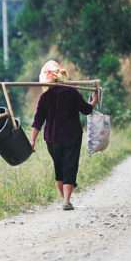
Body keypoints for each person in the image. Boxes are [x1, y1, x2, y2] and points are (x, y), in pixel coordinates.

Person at [29, 60, 98, 211]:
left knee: (59, 168)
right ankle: (66, 200)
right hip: (71, 136)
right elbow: (86, 110)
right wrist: (94, 101)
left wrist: (32, 140)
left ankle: (65, 200)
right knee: (70, 167)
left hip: (52, 139)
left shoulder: (45, 97)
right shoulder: (72, 92)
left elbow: (37, 121)